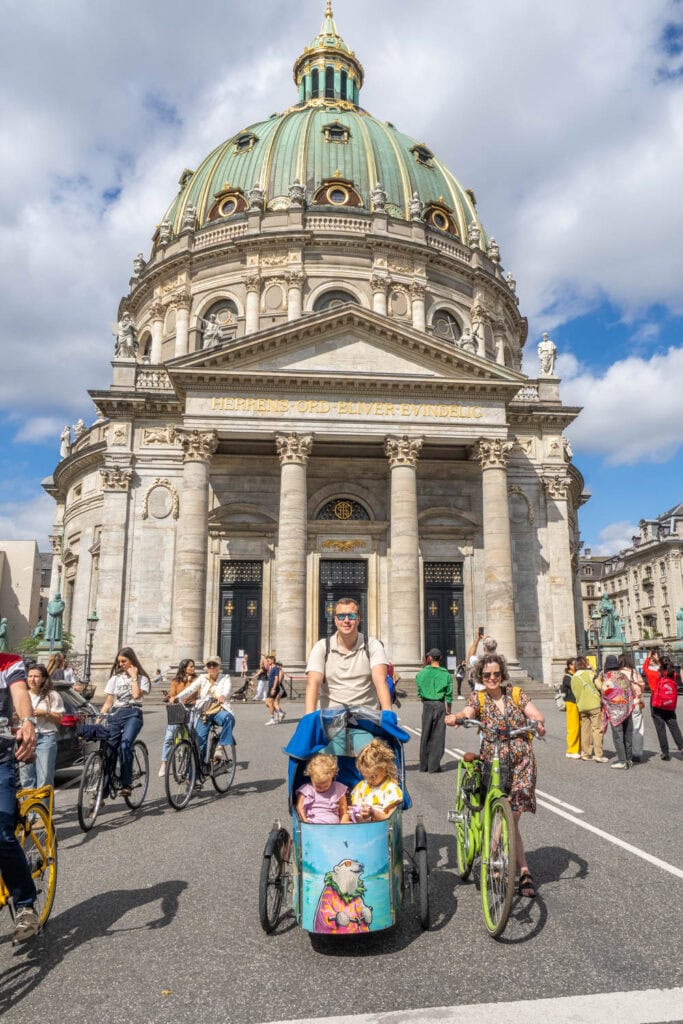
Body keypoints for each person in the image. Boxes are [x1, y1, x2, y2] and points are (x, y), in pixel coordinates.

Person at [445, 653, 546, 898]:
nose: (492, 678)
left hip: (522, 760)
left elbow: (534, 713)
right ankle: (523, 871)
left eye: (496, 674)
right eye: (487, 675)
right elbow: (468, 712)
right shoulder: (478, 697)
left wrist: (538, 722)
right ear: (481, 676)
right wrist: (457, 717)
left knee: (512, 815)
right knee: (505, 815)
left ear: (502, 675)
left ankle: (492, 853)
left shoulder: (515, 694)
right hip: (494, 761)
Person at [0, 653, 40, 942]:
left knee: (1, 832)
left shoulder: (8, 663)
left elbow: (20, 693)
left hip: (1, 758)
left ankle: (25, 904)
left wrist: (27, 721)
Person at [305, 597, 391, 713]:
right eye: (341, 616)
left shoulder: (372, 645)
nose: (346, 620)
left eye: (352, 616)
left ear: (358, 619)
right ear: (335, 620)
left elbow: (380, 681)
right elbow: (313, 683)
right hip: (331, 718)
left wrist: (388, 713)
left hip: (366, 718)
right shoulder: (321, 647)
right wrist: (309, 718)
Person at [99, 647, 151, 797]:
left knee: (125, 744)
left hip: (133, 713)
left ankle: (126, 783)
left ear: (132, 661)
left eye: (124, 661)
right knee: (108, 750)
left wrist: (134, 676)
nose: (121, 664)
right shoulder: (115, 679)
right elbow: (108, 702)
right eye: (119, 662)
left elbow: (136, 696)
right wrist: (99, 719)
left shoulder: (143, 679)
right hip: (116, 714)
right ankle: (103, 792)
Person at [172, 656, 234, 762]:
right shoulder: (203, 677)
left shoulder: (225, 677)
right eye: (209, 665)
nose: (211, 667)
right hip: (204, 712)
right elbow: (190, 689)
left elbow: (227, 689)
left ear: (219, 666)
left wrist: (223, 696)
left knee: (229, 718)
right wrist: (177, 697)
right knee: (199, 743)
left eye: (214, 665)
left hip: (219, 710)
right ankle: (196, 773)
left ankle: (221, 744)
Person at [19, 663, 65, 790]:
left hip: (45, 737)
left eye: (36, 676)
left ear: (44, 679)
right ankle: (30, 810)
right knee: (27, 778)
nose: (32, 680)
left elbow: (59, 719)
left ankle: (43, 809)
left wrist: (45, 713)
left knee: (44, 778)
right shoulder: (22, 695)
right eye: (30, 676)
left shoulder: (52, 695)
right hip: (25, 739)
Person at [415, 648, 452, 773]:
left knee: (425, 733)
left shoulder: (422, 673)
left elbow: (418, 684)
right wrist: (449, 710)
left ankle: (424, 765)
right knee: (438, 735)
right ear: (440, 658)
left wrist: (422, 696)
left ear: (430, 658)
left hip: (427, 704)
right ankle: (434, 766)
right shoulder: (446, 674)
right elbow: (449, 694)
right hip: (440, 704)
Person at [158, 659, 197, 777]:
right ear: (184, 668)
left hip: (192, 709)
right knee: (169, 737)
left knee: (191, 737)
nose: (193, 669)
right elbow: (173, 694)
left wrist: (191, 683)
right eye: (191, 667)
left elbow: (199, 693)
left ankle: (188, 765)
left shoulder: (196, 680)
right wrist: (170, 697)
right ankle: (164, 764)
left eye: (194, 666)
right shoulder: (176, 681)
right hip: (178, 710)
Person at [349, 739, 403, 822]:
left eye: (373, 776)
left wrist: (373, 813)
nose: (370, 780)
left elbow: (390, 820)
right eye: (366, 777)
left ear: (385, 769)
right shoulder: (362, 786)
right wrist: (353, 811)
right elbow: (354, 807)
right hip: (359, 829)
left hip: (380, 831)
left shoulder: (390, 789)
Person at [599, 654, 635, 769]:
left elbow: (605, 694)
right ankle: (629, 758)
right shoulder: (623, 676)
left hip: (615, 711)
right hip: (627, 708)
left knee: (618, 735)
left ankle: (622, 760)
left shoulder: (607, 677)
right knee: (627, 734)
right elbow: (631, 690)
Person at [570, 657, 608, 762]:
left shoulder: (573, 677)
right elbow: (600, 686)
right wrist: (593, 671)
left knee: (585, 730)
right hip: (594, 705)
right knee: (597, 729)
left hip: (582, 706)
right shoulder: (590, 674)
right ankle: (598, 754)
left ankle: (585, 753)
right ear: (585, 664)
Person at [295, 753, 350, 823]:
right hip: (313, 824)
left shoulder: (338, 788)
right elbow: (299, 809)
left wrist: (343, 824)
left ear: (333, 776)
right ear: (310, 777)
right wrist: (305, 823)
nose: (322, 788)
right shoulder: (306, 790)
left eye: (326, 785)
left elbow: (344, 812)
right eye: (318, 786)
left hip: (334, 827)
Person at [647, 655, 683, 761]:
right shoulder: (673, 674)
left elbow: (647, 670)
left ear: (660, 664)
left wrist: (650, 659)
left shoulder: (658, 674)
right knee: (674, 727)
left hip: (657, 704)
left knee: (660, 728)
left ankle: (665, 752)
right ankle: (681, 747)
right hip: (670, 704)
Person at [561, 657, 580, 759]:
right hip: (571, 702)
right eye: (573, 664)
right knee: (573, 727)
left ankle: (578, 748)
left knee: (580, 726)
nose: (575, 666)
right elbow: (574, 685)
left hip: (578, 702)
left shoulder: (576, 675)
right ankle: (571, 750)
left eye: (576, 664)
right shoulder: (567, 676)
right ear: (569, 666)